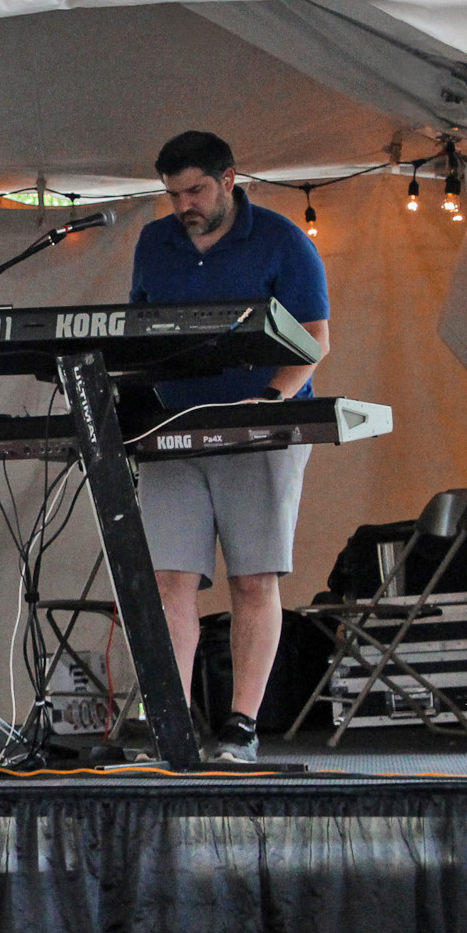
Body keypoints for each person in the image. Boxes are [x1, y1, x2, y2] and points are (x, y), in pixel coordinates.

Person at [130, 130, 331, 762]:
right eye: (172, 194)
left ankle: (241, 727)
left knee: (252, 578)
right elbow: (137, 330)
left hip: (258, 428)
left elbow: (316, 336)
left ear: (229, 179)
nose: (184, 204)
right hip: (173, 425)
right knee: (167, 577)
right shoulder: (154, 242)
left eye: (194, 190)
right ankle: (171, 724)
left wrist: (270, 400)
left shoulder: (280, 238)